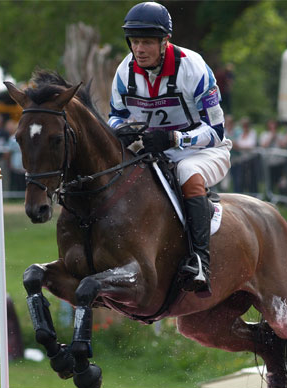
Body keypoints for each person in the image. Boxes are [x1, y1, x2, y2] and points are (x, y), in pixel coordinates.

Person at [108, 2, 232, 296]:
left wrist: (176, 139)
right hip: (155, 152)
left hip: (204, 151)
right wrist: (120, 130)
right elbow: (115, 116)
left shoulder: (194, 67)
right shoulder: (124, 72)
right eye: (135, 41)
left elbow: (216, 131)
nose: (139, 49)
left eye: (147, 42)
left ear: (165, 42)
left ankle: (200, 261)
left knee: (186, 169)